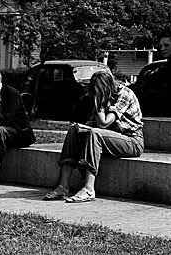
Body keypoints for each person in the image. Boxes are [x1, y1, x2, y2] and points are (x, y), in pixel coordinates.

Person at [42, 68, 144, 203]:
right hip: (111, 138)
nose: (95, 95)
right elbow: (92, 123)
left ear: (106, 88)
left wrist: (100, 105)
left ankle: (89, 189)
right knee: (74, 130)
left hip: (131, 141)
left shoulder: (124, 94)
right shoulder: (102, 97)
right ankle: (63, 186)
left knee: (95, 133)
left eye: (98, 92)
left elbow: (103, 123)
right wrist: (80, 128)